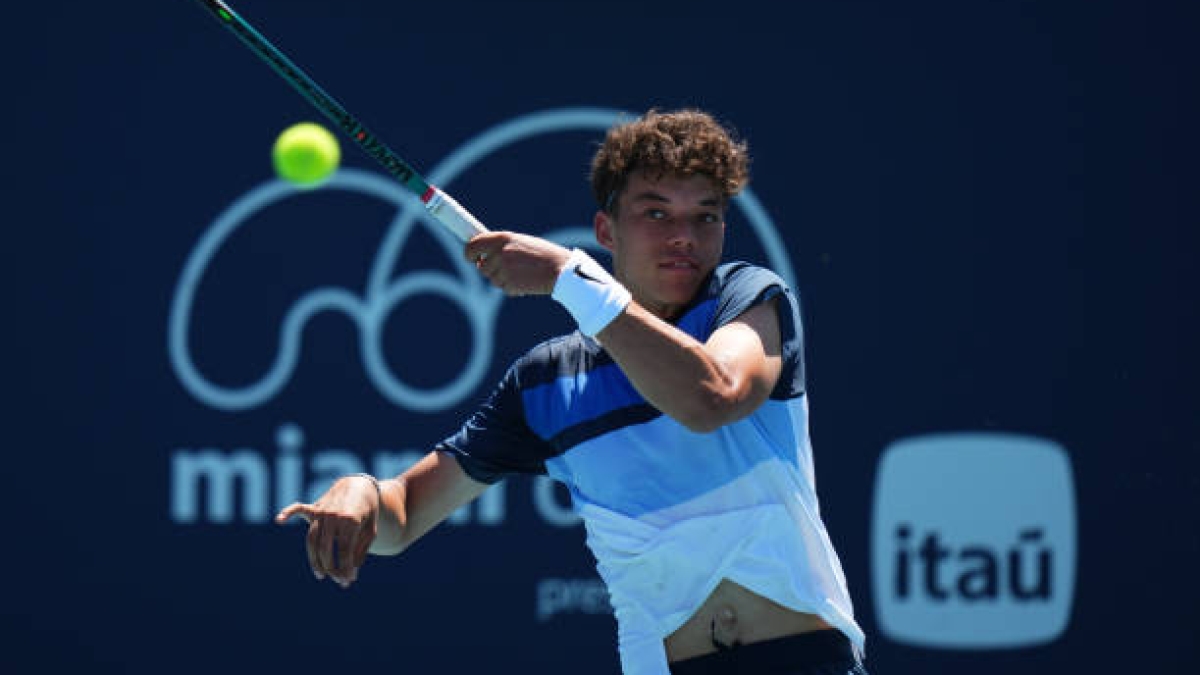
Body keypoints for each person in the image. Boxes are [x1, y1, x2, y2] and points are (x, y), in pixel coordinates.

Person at [276, 109, 868, 675]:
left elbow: (710, 398)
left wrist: (568, 277)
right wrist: (359, 493)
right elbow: (402, 515)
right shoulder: (545, 385)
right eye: (657, 213)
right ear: (606, 230)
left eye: (705, 216)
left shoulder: (746, 300)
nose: (684, 236)